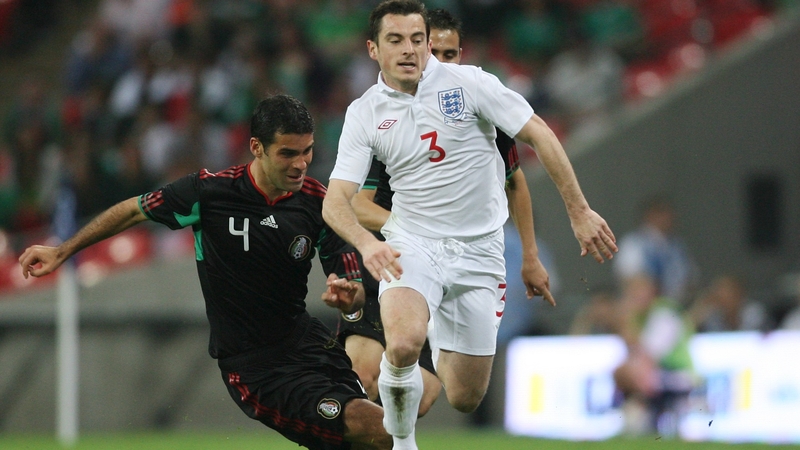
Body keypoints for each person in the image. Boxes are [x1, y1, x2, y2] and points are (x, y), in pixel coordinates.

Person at [19, 95, 391, 450]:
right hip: (257, 369)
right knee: (378, 430)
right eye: (288, 153)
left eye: (307, 151)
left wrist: (350, 295)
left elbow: (351, 283)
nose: (300, 164)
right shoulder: (210, 193)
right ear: (257, 147)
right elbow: (134, 210)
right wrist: (63, 250)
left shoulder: (317, 203)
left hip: (309, 345)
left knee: (362, 441)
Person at [321, 2, 617, 449]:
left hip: (479, 252)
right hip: (413, 245)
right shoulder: (364, 113)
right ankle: (403, 444)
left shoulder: (472, 83)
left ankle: (440, 326)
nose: (410, 50)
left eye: (417, 39)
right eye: (396, 40)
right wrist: (367, 243)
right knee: (401, 346)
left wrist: (578, 211)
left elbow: (539, 133)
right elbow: (336, 201)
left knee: (464, 396)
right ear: (373, 49)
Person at [336, 7, 557, 423]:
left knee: (457, 395)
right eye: (431, 49)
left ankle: (434, 345)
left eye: (450, 53)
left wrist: (530, 254)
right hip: (401, 255)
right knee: (370, 367)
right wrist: (416, 234)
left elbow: (515, 183)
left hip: (468, 254)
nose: (437, 61)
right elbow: (354, 203)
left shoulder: (477, 109)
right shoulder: (381, 123)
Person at [613, 274, 695, 436]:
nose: (634, 298)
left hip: (677, 373)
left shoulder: (665, 313)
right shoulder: (641, 316)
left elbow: (649, 353)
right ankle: (634, 420)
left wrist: (626, 319)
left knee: (625, 373)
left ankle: (637, 422)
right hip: (657, 373)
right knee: (624, 372)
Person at [614, 195, 699, 305]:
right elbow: (629, 277)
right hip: (642, 306)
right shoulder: (633, 242)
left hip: (675, 305)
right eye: (661, 213)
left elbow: (690, 278)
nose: (667, 218)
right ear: (649, 215)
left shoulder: (677, 246)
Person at [688, 274, 772, 333]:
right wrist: (700, 306)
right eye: (718, 292)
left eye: (726, 292)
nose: (721, 296)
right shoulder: (713, 314)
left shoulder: (754, 311)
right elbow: (685, 329)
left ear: (738, 294)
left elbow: (750, 338)